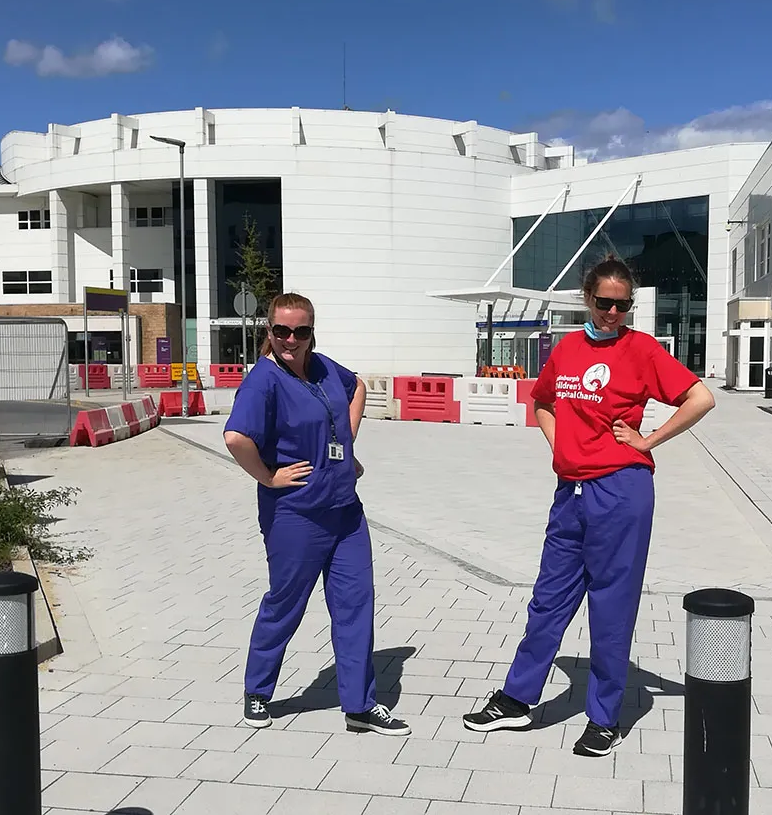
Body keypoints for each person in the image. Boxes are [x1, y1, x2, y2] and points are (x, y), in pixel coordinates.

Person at [463, 255, 715, 756]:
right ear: (587, 299)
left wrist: (648, 441)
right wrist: (560, 447)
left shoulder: (641, 349)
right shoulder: (568, 348)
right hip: (571, 492)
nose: (614, 313)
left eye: (624, 304)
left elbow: (700, 398)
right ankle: (516, 699)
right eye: (605, 303)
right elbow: (541, 401)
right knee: (548, 599)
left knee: (611, 606)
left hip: (622, 491)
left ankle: (604, 717)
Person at [223, 292, 409, 736]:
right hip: (296, 515)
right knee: (286, 603)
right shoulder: (264, 380)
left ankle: (360, 706)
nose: (291, 339)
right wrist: (268, 478)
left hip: (345, 513)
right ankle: (258, 691)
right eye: (282, 330)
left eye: (300, 331)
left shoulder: (323, 367)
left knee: (355, 605)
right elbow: (235, 438)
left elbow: (358, 386)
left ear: (311, 333)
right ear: (269, 331)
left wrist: (347, 447)